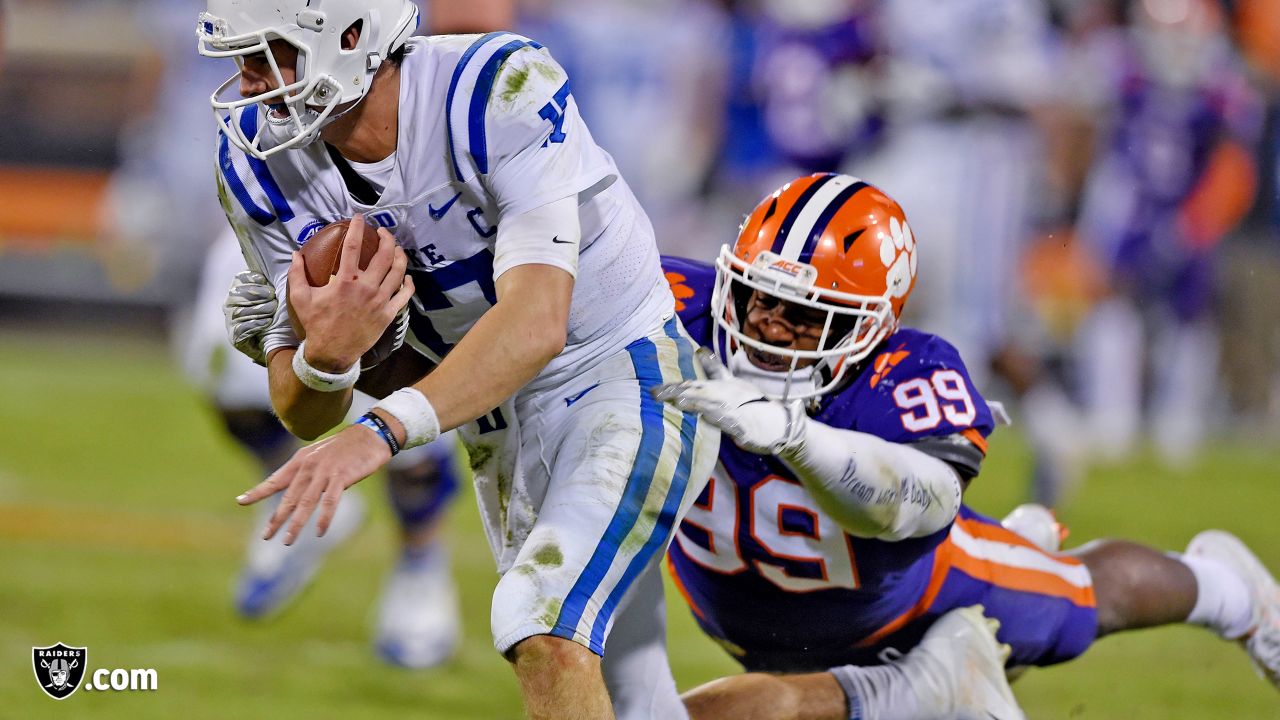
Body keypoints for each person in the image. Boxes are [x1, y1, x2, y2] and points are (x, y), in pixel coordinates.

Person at [199, 2, 718, 718]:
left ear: (352, 39)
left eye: (268, 56)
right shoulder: (256, 165)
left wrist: (378, 431)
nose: (249, 84)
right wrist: (330, 357)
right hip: (491, 421)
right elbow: (299, 410)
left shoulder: (495, 87)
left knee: (540, 622)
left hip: (617, 370)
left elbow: (538, 321)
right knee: (630, 692)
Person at [653, 174, 1280, 719]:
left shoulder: (906, 375)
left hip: (915, 599)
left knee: (1083, 601)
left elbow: (919, 502)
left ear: (867, 327)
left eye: (806, 316)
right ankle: (941, 680)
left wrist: (796, 437)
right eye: (761, 296)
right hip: (754, 617)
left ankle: (1231, 594)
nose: (768, 325)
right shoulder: (671, 307)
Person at [96, 0, 463, 668]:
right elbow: (177, 58)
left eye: (257, 59)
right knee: (220, 359)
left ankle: (419, 563)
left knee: (404, 376)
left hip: (403, 193)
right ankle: (301, 498)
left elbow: (477, 24)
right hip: (280, 190)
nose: (244, 81)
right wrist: (141, 162)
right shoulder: (247, 113)